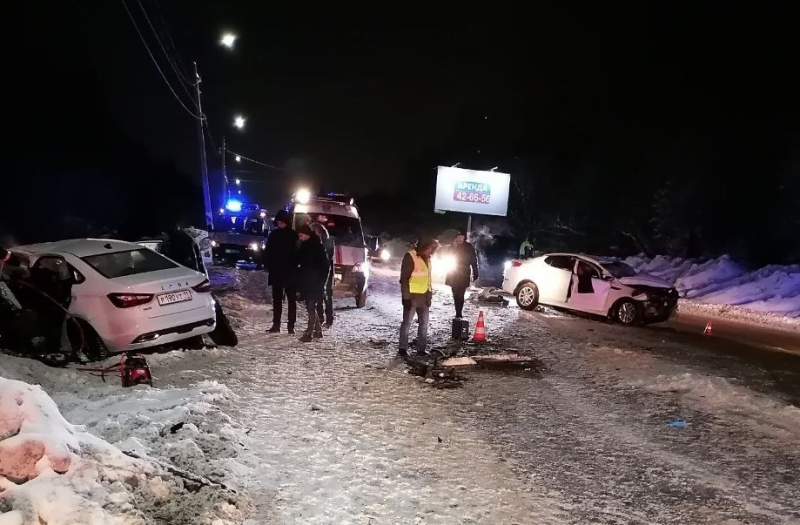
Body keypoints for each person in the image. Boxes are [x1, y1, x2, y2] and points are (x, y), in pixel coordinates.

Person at [398, 237, 437, 356]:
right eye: (430, 249)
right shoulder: (410, 256)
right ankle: (402, 349)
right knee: (407, 324)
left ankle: (421, 349)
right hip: (412, 297)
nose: (431, 252)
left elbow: (428, 279)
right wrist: (406, 298)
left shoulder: (428, 259)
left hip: (424, 297)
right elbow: (404, 279)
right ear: (424, 247)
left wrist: (429, 296)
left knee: (424, 325)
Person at [264, 209, 299, 333]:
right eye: (278, 222)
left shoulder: (294, 235)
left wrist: (296, 266)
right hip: (277, 272)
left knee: (291, 301)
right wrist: (267, 264)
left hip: (290, 272)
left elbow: (298, 253)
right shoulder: (274, 235)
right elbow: (268, 252)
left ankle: (291, 326)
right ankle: (276, 325)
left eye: (282, 222)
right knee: (277, 300)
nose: (280, 224)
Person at [296, 224, 330, 342]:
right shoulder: (304, 246)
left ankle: (309, 333)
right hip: (307, 282)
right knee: (310, 307)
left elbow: (326, 267)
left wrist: (322, 283)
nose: (299, 238)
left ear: (307, 235)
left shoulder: (317, 247)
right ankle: (318, 331)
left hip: (316, 283)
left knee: (311, 306)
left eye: (301, 235)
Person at [445, 232, 479, 319]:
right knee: (455, 293)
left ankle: (459, 312)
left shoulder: (468, 247)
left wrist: (475, 272)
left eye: (462, 237)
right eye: (458, 237)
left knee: (461, 293)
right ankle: (457, 309)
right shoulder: (452, 246)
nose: (460, 239)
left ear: (464, 238)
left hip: (464, 273)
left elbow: (473, 260)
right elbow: (447, 256)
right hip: (453, 272)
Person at [310, 222, 334, 327]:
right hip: (318, 273)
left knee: (327, 296)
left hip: (326, 273)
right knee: (319, 297)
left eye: (313, 231)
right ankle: (321, 319)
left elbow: (327, 260)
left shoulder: (326, 243)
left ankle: (329, 319)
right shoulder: (316, 242)